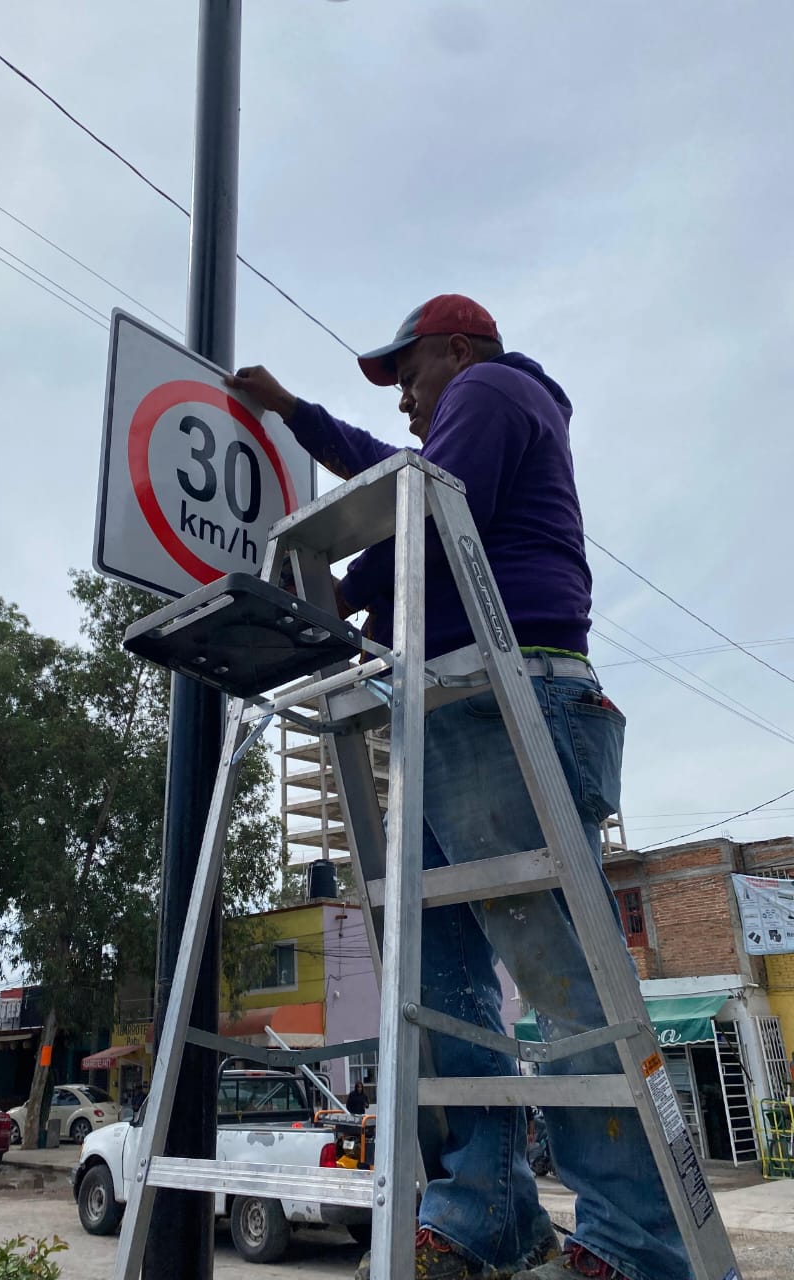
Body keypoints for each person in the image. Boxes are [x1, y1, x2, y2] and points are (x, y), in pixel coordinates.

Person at [225, 295, 691, 1280]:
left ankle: (635, 1240)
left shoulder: (494, 388)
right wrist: (300, 430)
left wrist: (333, 583)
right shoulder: (461, 416)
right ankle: (483, 1212)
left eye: (408, 377)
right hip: (450, 712)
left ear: (459, 349)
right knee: (441, 988)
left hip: (511, 697)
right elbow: (401, 487)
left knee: (559, 977)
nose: (403, 403)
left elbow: (429, 511)